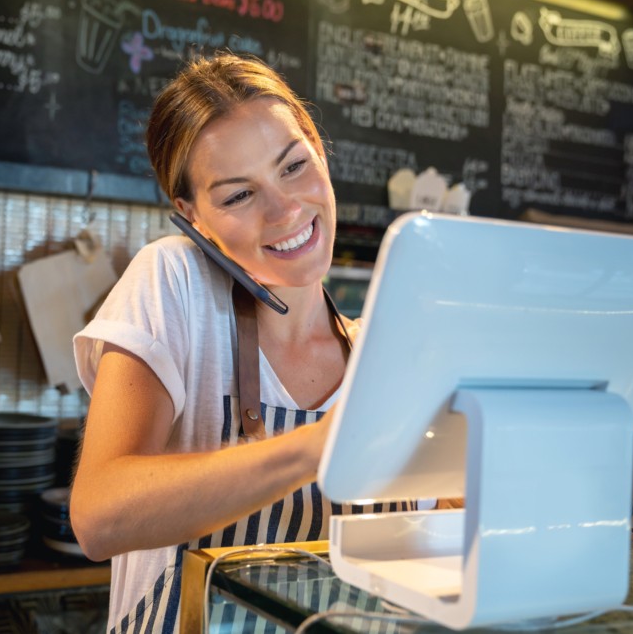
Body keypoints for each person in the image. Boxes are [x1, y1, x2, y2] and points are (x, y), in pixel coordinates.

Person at [70, 53, 419, 634]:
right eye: (238, 196)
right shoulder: (174, 282)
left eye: (293, 167)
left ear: (320, 153)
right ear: (193, 217)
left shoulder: (388, 357)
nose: (285, 210)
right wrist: (319, 447)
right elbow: (99, 518)